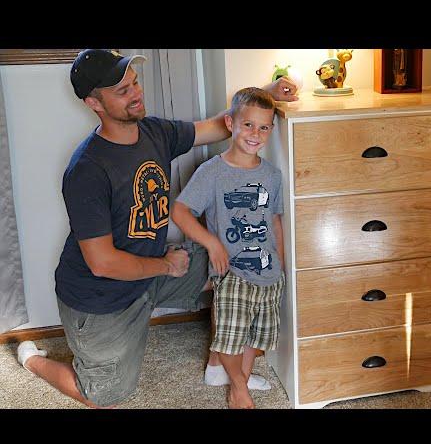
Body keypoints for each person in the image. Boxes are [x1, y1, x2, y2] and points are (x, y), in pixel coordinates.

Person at [15, 49, 297, 409]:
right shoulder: (87, 170)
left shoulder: (153, 132)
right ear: (93, 103)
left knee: (238, 259)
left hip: (151, 271)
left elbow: (220, 124)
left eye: (135, 83)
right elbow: (103, 263)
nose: (136, 94)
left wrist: (266, 92)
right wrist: (166, 265)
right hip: (103, 300)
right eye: (122, 90)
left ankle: (218, 363)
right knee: (103, 396)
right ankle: (31, 360)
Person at [171, 87, 285, 409]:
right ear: (230, 123)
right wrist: (212, 243)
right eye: (248, 125)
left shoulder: (272, 176)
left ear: (271, 131)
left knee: (256, 336)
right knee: (230, 336)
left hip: (268, 271)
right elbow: (180, 211)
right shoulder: (213, 172)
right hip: (231, 271)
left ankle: (243, 379)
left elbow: (274, 220)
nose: (255, 134)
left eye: (263, 127)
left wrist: (283, 264)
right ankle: (238, 386)